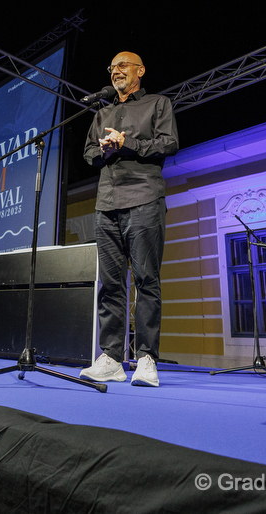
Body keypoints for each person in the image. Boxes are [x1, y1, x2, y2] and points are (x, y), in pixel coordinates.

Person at [79, 51, 179, 387]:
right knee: (110, 284)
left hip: (144, 198)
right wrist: (104, 150)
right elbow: (89, 153)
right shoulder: (102, 112)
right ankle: (111, 358)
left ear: (140, 70)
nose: (116, 71)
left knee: (146, 280)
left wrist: (127, 143)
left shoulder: (157, 104)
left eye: (123, 65)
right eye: (112, 67)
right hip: (107, 202)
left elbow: (169, 143)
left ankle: (147, 359)